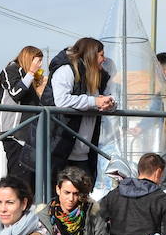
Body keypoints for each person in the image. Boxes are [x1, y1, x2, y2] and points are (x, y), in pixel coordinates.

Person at [41, 37, 115, 188]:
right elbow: (61, 101)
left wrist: (109, 103)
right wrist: (94, 101)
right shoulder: (66, 70)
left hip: (84, 152)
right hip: (61, 148)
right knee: (57, 198)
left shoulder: (100, 76)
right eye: (101, 54)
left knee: (83, 198)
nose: (104, 59)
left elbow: (109, 96)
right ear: (91, 55)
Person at [0, 45, 46, 190]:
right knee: (18, 176)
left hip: (28, 134)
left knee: (29, 178)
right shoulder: (10, 70)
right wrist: (30, 73)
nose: (40, 65)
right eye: (38, 61)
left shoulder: (29, 78)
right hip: (13, 132)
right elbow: (16, 93)